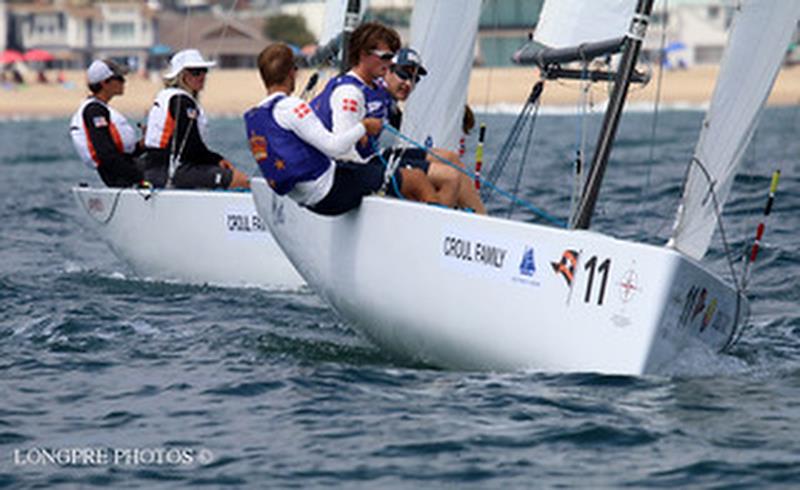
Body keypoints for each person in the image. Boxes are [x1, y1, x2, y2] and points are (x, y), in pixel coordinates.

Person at [245, 43, 440, 215]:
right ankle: (437, 237)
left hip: (305, 196)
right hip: (329, 190)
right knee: (416, 179)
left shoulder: (255, 116)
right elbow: (334, 148)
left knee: (394, 177)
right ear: (292, 73)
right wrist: (364, 127)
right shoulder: (292, 107)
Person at [310, 22, 460, 207]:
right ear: (363, 55)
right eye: (386, 57)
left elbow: (396, 97)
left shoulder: (377, 86)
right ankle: (438, 230)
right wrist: (363, 131)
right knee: (441, 178)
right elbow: (343, 151)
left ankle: (475, 220)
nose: (390, 63)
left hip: (367, 159)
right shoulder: (349, 92)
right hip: (340, 172)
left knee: (451, 162)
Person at [382, 48, 487, 214]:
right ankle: (439, 227)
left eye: (414, 79)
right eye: (403, 74)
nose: (408, 83)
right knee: (450, 177)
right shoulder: (373, 94)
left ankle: (482, 219)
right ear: (387, 70)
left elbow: (401, 124)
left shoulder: (389, 102)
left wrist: (457, 111)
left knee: (451, 158)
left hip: (380, 156)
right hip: (367, 161)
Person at [143, 49, 249, 189]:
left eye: (204, 71)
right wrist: (217, 160)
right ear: (181, 76)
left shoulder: (165, 96)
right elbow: (191, 145)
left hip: (155, 169)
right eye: (195, 72)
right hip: (172, 171)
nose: (202, 76)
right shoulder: (182, 101)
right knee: (242, 181)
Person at [69, 59, 145, 187]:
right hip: (118, 176)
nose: (124, 82)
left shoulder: (100, 108)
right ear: (105, 83)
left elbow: (118, 151)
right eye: (119, 78)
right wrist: (139, 177)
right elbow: (106, 155)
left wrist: (143, 145)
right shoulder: (95, 111)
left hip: (123, 169)